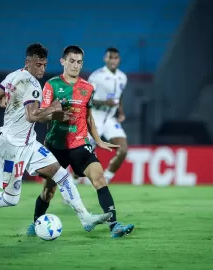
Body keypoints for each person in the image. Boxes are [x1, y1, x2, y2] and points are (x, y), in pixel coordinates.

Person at [0, 43, 111, 232]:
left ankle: (85, 218)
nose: (42, 69)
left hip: (29, 143)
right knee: (11, 199)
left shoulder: (13, 75)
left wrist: (11, 107)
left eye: (44, 64)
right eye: (38, 64)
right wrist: (53, 109)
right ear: (28, 62)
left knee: (62, 175)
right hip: (10, 147)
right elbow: (32, 116)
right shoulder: (32, 84)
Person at [26, 45, 134, 238]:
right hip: (56, 147)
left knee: (99, 178)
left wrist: (99, 141)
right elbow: (41, 116)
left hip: (80, 144)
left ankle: (114, 225)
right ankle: (36, 223)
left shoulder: (87, 88)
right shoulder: (52, 85)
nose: (75, 66)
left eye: (79, 62)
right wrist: (57, 115)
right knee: (48, 192)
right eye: (72, 61)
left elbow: (89, 118)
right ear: (63, 61)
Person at [87, 47, 128, 184]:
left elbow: (119, 96)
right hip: (95, 118)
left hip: (110, 119)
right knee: (84, 155)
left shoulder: (123, 77)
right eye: (111, 57)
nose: (113, 60)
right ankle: (72, 183)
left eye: (116, 58)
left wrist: (121, 112)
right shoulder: (96, 76)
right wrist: (105, 102)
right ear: (105, 59)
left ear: (119, 59)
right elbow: (87, 99)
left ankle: (107, 178)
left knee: (123, 150)